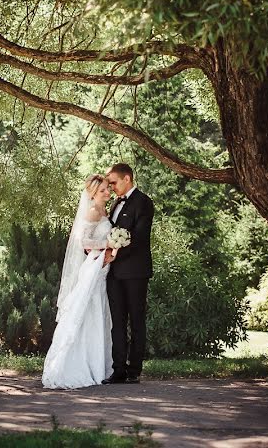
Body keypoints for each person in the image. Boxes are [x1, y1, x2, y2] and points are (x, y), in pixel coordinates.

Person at [41, 174, 115, 389]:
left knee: (99, 312)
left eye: (107, 189)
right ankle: (77, 366)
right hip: (93, 266)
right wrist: (107, 243)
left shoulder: (104, 210)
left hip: (102, 267)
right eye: (102, 190)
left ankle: (98, 365)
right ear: (92, 193)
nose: (107, 193)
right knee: (87, 310)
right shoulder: (92, 211)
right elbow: (84, 241)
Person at [102, 163, 154, 384]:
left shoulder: (144, 202)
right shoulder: (115, 203)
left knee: (137, 320)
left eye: (113, 182)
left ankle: (134, 371)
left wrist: (114, 255)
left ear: (127, 178)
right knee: (117, 322)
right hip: (114, 274)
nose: (111, 186)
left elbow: (139, 238)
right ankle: (118, 370)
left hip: (135, 272)